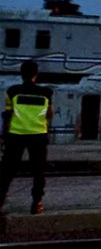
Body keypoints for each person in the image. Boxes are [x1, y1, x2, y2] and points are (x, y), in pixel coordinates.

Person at [0, 60, 54, 215]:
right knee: (38, 171)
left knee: (6, 171)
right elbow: (50, 114)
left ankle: (0, 199)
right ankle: (36, 203)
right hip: (38, 136)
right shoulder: (46, 93)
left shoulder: (12, 91)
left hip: (16, 135)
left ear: (21, 74)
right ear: (36, 74)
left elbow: (8, 115)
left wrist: (4, 136)